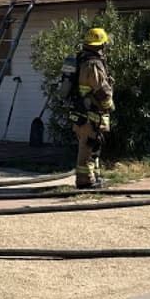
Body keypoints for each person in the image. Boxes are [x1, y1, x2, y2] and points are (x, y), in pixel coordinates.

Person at [68, 27, 115, 189]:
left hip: (84, 111)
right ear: (100, 45)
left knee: (94, 145)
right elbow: (101, 90)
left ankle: (94, 177)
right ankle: (84, 180)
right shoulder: (93, 64)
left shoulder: (83, 61)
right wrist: (109, 105)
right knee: (88, 146)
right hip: (90, 112)